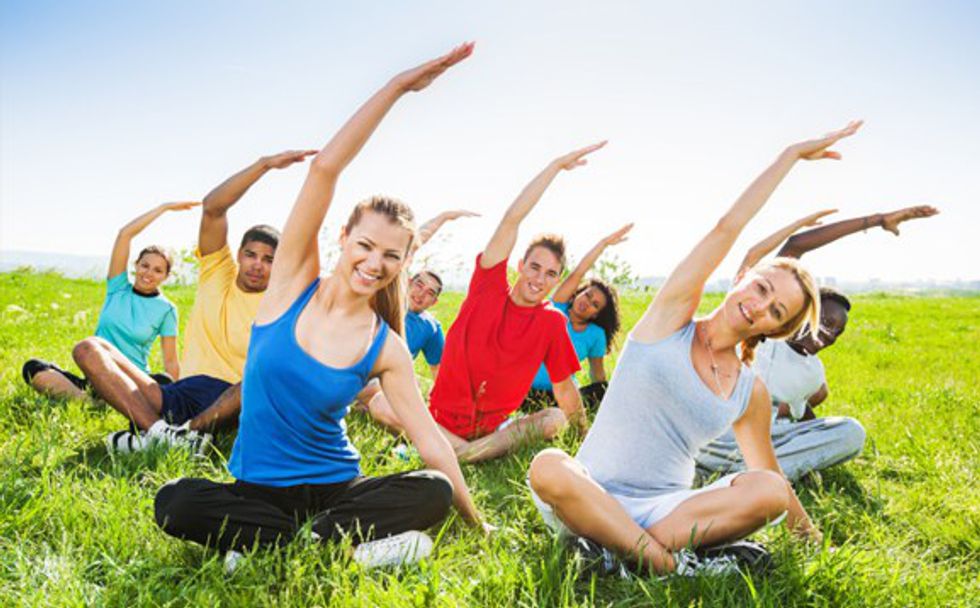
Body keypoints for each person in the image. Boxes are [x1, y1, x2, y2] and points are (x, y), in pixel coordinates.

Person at [153, 43, 488, 569]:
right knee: (175, 501)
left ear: (405, 262)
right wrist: (398, 87)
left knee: (432, 488)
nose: (374, 263)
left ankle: (276, 545)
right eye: (366, 246)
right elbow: (324, 170)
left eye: (391, 255)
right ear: (343, 238)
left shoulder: (386, 346)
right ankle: (336, 546)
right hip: (257, 489)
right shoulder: (290, 284)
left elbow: (430, 441)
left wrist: (476, 522)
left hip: (338, 490)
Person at [528, 120, 863, 575]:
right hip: (589, 493)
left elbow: (772, 477)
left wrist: (812, 541)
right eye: (761, 288)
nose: (759, 306)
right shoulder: (670, 320)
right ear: (743, 277)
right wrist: (789, 157)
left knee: (768, 490)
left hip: (665, 511)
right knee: (549, 466)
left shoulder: (749, 390)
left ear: (778, 329)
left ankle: (616, 551)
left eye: (776, 311)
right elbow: (726, 228)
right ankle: (671, 565)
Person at [368, 143, 607, 463]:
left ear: (557, 279)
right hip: (438, 419)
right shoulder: (488, 286)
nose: (539, 279)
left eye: (550, 274)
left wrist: (583, 438)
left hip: (491, 432)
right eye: (534, 267)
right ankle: (465, 453)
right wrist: (554, 168)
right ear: (520, 265)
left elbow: (564, 388)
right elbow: (511, 220)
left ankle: (458, 452)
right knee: (381, 402)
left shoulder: (552, 322)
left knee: (554, 418)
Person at [70, 149, 317, 452]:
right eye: (251, 255)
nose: (257, 265)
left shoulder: (281, 301)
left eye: (269, 259)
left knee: (268, 375)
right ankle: (161, 434)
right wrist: (263, 165)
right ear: (239, 255)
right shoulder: (217, 271)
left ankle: (184, 433)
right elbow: (213, 208)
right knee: (88, 348)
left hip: (233, 400)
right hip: (181, 393)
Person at [696, 204, 938, 481]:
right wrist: (877, 220)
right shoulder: (763, 333)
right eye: (824, 321)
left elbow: (807, 411)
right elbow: (795, 246)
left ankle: (750, 474)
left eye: (837, 332)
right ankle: (751, 474)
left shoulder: (813, 371)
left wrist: (813, 437)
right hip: (719, 436)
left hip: (764, 439)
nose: (829, 334)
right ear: (803, 314)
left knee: (851, 432)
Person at [22, 202, 197, 400]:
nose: (149, 273)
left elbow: (171, 361)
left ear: (165, 276)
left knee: (164, 381)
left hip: (134, 383)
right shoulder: (117, 288)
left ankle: (113, 400)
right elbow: (125, 234)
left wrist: (175, 399)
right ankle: (88, 401)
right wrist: (163, 208)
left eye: (157, 270)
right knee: (33, 368)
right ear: (136, 265)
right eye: (145, 265)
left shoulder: (166, 309)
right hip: (96, 378)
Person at [522, 223, 631, 412]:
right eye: (587, 295)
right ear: (579, 292)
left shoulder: (596, 335)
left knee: (602, 391)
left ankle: (561, 414)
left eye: (595, 304)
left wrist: (604, 399)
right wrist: (603, 244)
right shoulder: (557, 307)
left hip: (561, 397)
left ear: (596, 314)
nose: (587, 303)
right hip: (526, 391)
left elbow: (597, 374)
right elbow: (579, 272)